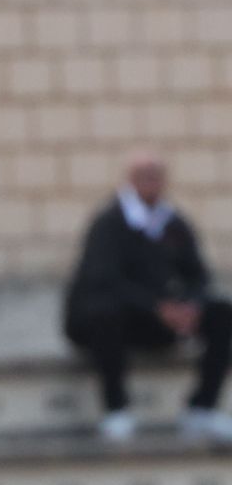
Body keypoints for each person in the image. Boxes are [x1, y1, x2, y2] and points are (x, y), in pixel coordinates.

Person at [63, 150, 232, 444]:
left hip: (158, 321)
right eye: (144, 176)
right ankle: (117, 409)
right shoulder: (110, 222)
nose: (151, 182)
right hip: (109, 321)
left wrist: (189, 305)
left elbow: (198, 276)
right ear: (130, 180)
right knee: (105, 312)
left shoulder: (174, 223)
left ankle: (202, 407)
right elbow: (104, 280)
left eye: (156, 176)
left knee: (221, 312)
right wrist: (156, 307)